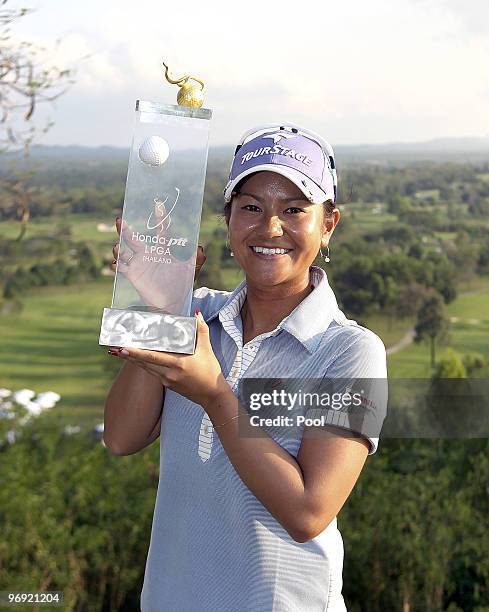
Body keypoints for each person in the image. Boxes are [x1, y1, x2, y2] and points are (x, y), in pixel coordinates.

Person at [103, 123, 387, 612]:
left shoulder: (350, 351)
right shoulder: (194, 318)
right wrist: (166, 308)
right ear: (228, 218)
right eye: (250, 207)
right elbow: (121, 437)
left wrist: (215, 394)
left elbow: (307, 511)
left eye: (294, 209)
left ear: (328, 224)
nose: (270, 227)